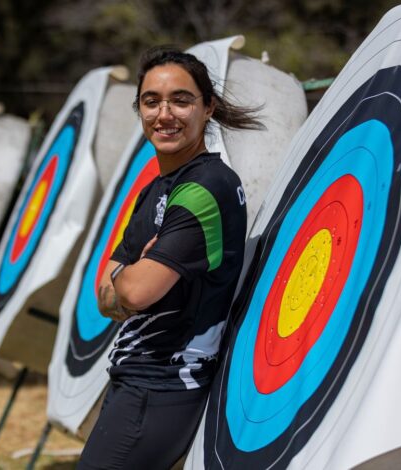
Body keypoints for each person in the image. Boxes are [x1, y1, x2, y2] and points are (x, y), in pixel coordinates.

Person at [77, 46, 264, 469]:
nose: (165, 114)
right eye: (151, 101)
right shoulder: (157, 190)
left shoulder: (206, 187)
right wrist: (128, 279)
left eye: (181, 100)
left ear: (208, 107)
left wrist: (129, 280)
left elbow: (135, 290)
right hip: (138, 381)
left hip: (161, 387)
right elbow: (104, 296)